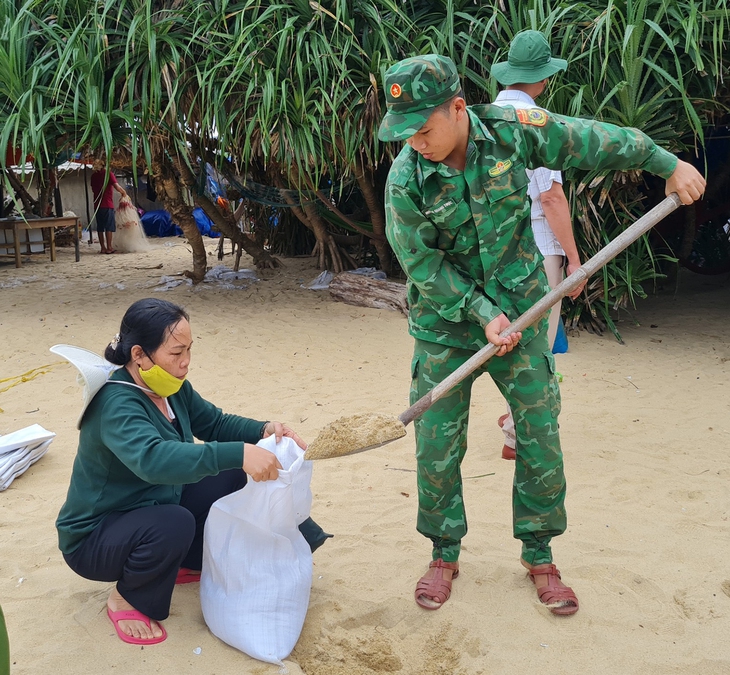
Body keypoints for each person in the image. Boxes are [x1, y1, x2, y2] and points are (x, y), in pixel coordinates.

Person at [378, 55, 705, 614]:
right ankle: (443, 552)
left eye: (424, 127)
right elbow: (421, 262)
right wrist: (480, 312)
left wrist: (664, 160)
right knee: (436, 443)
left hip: (524, 312)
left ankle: (540, 554)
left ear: (459, 108)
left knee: (539, 432)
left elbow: (589, 140)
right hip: (445, 324)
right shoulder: (406, 178)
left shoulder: (510, 133)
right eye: (403, 131)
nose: (415, 142)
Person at [55, 298, 330, 645]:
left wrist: (265, 430)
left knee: (231, 475)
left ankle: (183, 560)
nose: (185, 363)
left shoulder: (170, 387)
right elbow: (154, 460)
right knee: (175, 521)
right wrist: (238, 453)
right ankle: (126, 597)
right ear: (139, 354)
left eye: (189, 350)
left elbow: (213, 422)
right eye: (175, 352)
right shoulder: (116, 403)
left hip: (152, 502)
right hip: (95, 537)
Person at [491, 30, 585, 461]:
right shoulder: (538, 123)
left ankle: (512, 413)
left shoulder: (479, 118)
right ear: (543, 79)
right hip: (535, 243)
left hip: (488, 247)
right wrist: (574, 257)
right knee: (539, 344)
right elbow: (550, 198)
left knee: (504, 333)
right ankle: (517, 432)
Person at [90, 159, 128, 254]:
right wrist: (124, 193)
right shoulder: (108, 174)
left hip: (97, 205)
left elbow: (93, 189)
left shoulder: (93, 176)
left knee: (100, 227)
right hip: (107, 204)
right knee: (109, 227)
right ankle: (109, 248)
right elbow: (116, 186)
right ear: (104, 165)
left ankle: (103, 248)